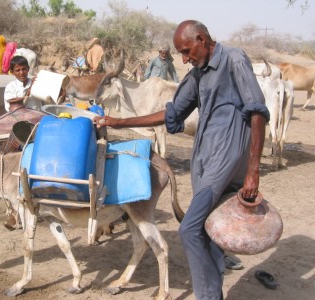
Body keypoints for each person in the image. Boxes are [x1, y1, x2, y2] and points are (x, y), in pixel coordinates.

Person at [94, 20, 269, 300]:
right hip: (204, 159)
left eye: (187, 51)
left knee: (189, 229)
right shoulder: (198, 73)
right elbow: (171, 113)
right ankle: (214, 292)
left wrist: (253, 170)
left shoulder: (234, 59)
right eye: (182, 55)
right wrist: (120, 122)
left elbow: (257, 111)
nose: (185, 59)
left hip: (227, 158)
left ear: (202, 38)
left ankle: (208, 296)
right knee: (211, 229)